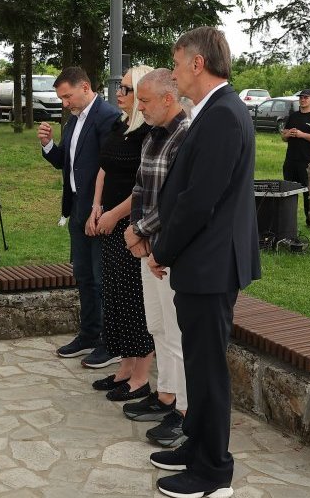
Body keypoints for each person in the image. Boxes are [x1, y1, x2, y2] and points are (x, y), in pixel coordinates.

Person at [146, 26, 260, 498]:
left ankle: (212, 471)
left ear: (198, 63)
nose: (173, 74)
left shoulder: (224, 116)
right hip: (203, 262)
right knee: (197, 363)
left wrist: (162, 250)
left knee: (208, 371)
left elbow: (199, 201)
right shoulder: (213, 111)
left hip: (211, 265)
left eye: (176, 64)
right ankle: (196, 445)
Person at [122, 68, 190, 448]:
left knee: (177, 332)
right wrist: (136, 232)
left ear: (168, 98)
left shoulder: (186, 137)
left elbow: (177, 201)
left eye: (145, 101)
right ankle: (165, 394)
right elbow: (140, 188)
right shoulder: (153, 134)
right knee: (159, 326)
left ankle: (185, 410)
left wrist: (140, 231)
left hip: (170, 251)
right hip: (148, 247)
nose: (140, 107)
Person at [38, 66, 122, 369]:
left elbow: (110, 168)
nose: (65, 103)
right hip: (76, 208)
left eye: (67, 96)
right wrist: (48, 145)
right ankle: (88, 334)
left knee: (103, 279)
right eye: (62, 98)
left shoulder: (108, 117)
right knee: (84, 276)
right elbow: (66, 161)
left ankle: (111, 343)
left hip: (99, 211)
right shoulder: (73, 119)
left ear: (85, 87)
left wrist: (100, 209)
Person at [88, 65, 155, 403]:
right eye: (119, 86)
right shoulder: (120, 124)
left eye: (126, 88)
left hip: (132, 225)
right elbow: (104, 168)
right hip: (110, 223)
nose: (119, 92)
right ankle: (126, 368)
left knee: (135, 301)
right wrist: (97, 207)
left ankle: (141, 377)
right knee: (116, 298)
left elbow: (144, 186)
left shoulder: (148, 133)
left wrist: (115, 214)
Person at [281, 89, 310, 225]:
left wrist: (302, 135)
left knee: (309, 193)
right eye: (301, 97)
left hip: (308, 161)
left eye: (305, 97)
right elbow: (284, 136)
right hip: (291, 160)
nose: (302, 100)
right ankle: (287, 222)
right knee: (288, 191)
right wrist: (287, 135)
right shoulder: (293, 116)